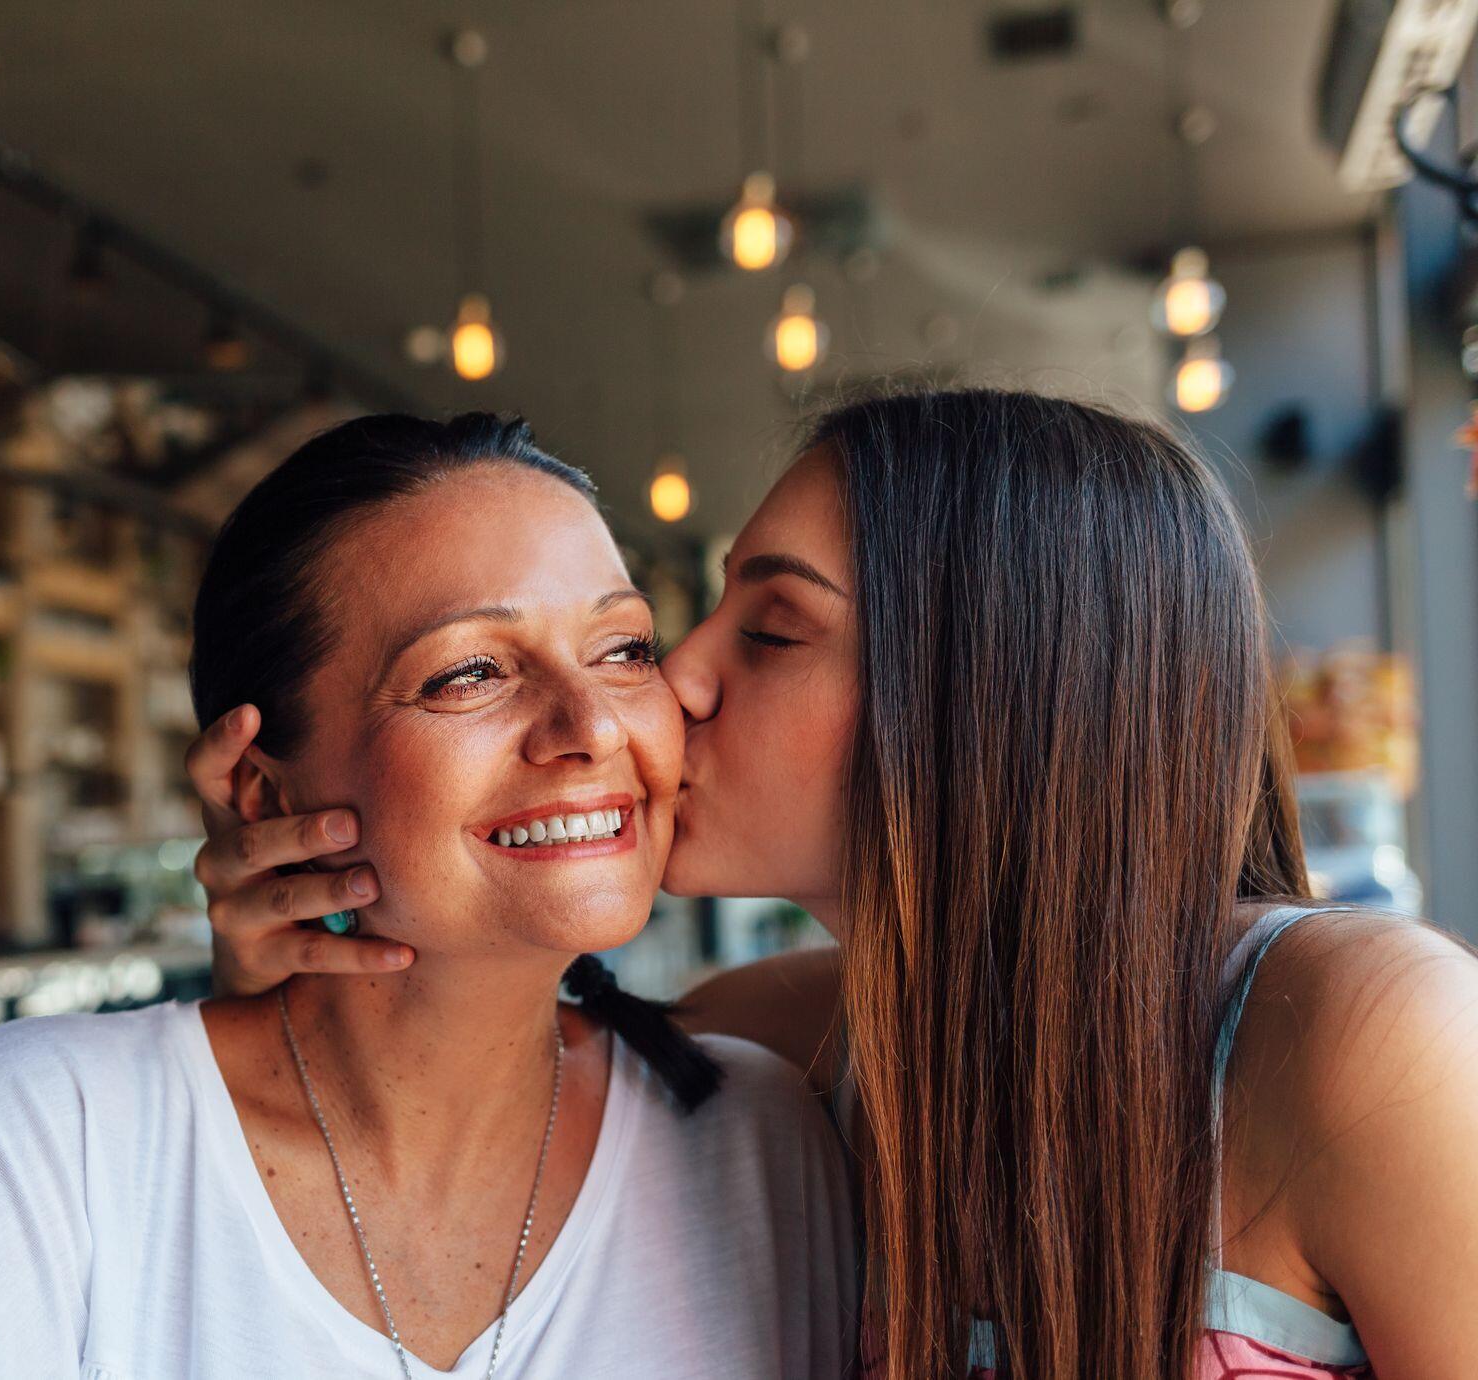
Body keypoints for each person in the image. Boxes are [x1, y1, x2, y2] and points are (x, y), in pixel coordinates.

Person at [190, 389, 1478, 1379]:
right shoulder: (772, 1051)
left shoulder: (1365, 1038)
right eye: (671, 631)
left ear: (991, 693)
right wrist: (295, 966)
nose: (672, 683)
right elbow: (430, 1093)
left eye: (769, 631)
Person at [0, 413, 859, 1380]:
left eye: (621, 648)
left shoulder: (757, 1140)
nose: (591, 727)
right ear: (261, 788)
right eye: (469, 672)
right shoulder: (53, 1139)